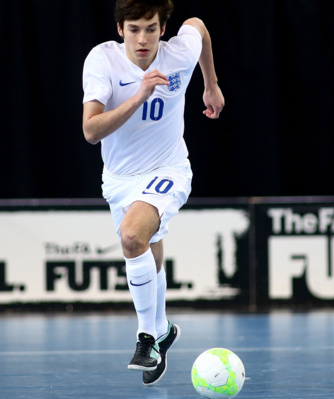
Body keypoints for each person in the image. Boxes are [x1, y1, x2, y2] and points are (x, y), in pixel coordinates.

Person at [81, 0, 224, 386]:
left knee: (131, 236)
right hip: (120, 178)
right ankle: (163, 329)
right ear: (119, 30)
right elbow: (91, 131)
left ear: (163, 29)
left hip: (168, 169)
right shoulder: (102, 62)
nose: (142, 39)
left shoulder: (178, 52)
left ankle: (147, 338)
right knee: (147, 245)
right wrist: (139, 95)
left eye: (150, 28)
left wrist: (211, 85)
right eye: (133, 29)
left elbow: (199, 26)